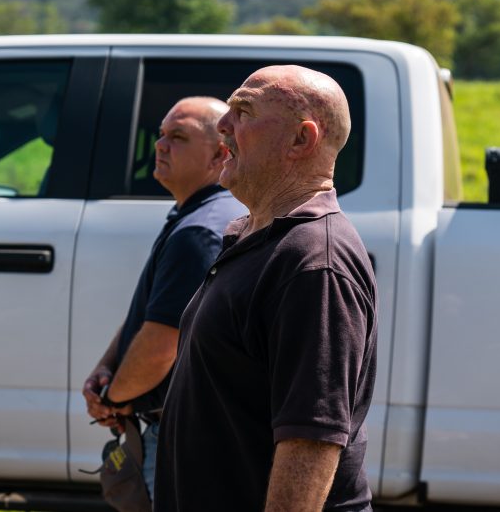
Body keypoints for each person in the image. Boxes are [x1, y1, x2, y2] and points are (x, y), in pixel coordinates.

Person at [155, 65, 378, 512]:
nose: (223, 126)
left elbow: (310, 441)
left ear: (302, 140)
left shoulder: (316, 261)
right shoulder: (256, 237)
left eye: (243, 111)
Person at [82, 96, 244, 502]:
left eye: (178, 136)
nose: (160, 145)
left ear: (219, 155)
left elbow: (162, 344)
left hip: (177, 437)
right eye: (161, 135)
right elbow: (157, 313)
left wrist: (113, 400)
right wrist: (108, 369)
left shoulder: (198, 232)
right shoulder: (204, 215)